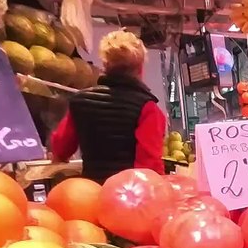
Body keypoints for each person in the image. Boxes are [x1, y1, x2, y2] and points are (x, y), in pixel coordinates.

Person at [50, 30, 166, 183]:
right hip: (129, 197)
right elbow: (150, 169)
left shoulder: (80, 101)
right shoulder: (148, 108)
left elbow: (60, 149)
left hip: (92, 194)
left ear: (105, 65)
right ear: (140, 68)